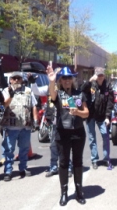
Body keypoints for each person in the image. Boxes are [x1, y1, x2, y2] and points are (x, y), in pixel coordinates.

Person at [47, 66, 89, 206]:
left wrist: (77, 112)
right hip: (62, 132)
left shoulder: (80, 94)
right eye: (64, 78)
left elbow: (87, 113)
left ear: (73, 79)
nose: (67, 80)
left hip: (78, 132)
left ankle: (79, 191)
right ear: (61, 80)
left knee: (78, 162)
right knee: (63, 163)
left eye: (69, 78)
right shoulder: (58, 94)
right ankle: (64, 193)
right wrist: (52, 81)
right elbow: (52, 94)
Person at [28, 70, 74, 178]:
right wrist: (33, 82)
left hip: (66, 123)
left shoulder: (68, 90)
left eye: (59, 76)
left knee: (66, 147)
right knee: (53, 146)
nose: (58, 78)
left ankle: (69, 167)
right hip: (54, 123)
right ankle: (53, 167)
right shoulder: (49, 88)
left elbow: (74, 107)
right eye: (55, 76)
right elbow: (37, 91)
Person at [0, 72, 35, 181]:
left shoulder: (28, 91)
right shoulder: (5, 91)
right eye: (14, 78)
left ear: (22, 80)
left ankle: (23, 168)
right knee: (9, 149)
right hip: (10, 126)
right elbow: (2, 105)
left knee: (24, 149)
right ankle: (8, 170)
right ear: (10, 80)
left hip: (25, 125)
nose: (16, 80)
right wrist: (11, 95)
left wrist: (36, 120)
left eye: (18, 78)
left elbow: (33, 106)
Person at [81, 67, 114, 170]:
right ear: (95, 76)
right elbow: (81, 89)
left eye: (101, 75)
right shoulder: (91, 85)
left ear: (104, 76)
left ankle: (105, 158)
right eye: (98, 75)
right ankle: (94, 159)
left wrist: (108, 117)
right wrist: (90, 80)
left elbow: (110, 103)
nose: (100, 77)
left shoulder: (108, 86)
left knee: (105, 134)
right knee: (92, 137)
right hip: (90, 115)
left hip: (102, 116)